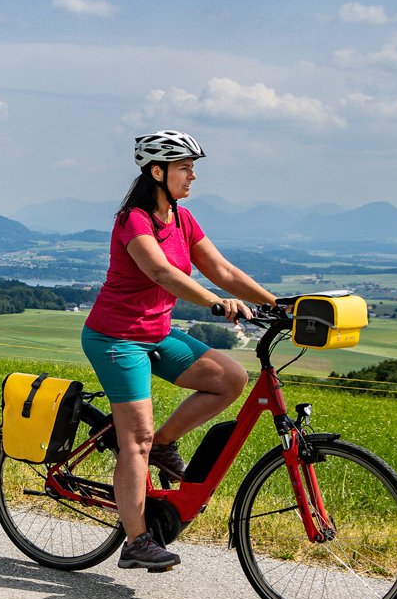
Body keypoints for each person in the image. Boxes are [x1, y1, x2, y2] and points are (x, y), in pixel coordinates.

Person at [81, 131, 276, 571]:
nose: (193, 176)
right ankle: (136, 540)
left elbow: (222, 269)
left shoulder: (183, 220)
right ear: (157, 171)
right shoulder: (134, 219)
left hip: (157, 334)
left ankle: (164, 444)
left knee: (230, 379)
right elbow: (160, 271)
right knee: (136, 439)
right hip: (116, 339)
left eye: (193, 168)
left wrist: (274, 303)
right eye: (185, 167)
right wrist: (213, 302)